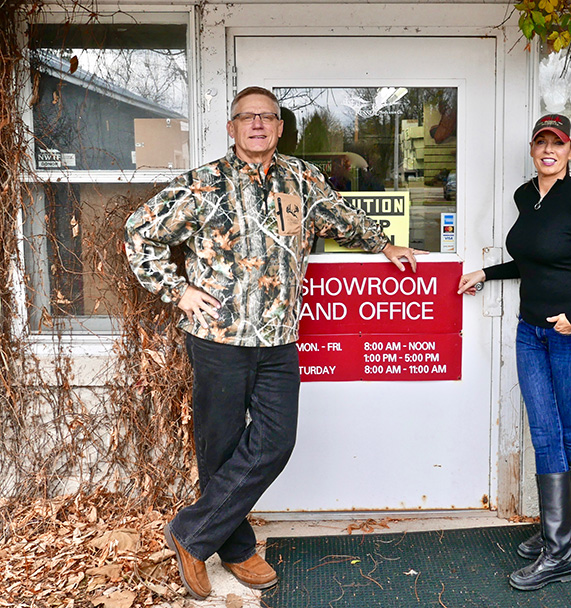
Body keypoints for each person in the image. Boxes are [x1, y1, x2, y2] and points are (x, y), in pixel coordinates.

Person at [124, 86, 424, 600]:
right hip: (219, 337)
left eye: (267, 117)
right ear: (232, 127)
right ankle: (236, 549)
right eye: (247, 117)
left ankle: (191, 533)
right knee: (219, 449)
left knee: (275, 441)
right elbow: (138, 232)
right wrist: (178, 290)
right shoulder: (203, 185)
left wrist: (383, 243)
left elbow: (340, 219)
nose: (258, 124)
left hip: (280, 337)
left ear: (280, 127)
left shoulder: (302, 179)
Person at [458, 114, 571, 591]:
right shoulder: (525, 196)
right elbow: (533, 258)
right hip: (530, 331)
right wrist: (487, 274)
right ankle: (560, 535)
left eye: (557, 143)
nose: (548, 150)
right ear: (533, 149)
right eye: (541, 142)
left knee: (570, 431)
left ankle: (560, 552)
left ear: (570, 151)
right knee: (544, 430)